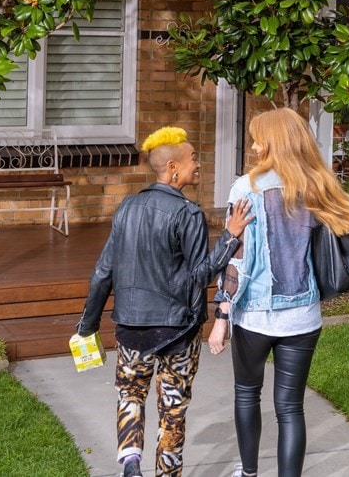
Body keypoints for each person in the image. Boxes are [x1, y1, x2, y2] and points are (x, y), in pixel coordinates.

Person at [77, 126, 253, 477]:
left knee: (130, 395)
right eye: (192, 160)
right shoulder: (188, 214)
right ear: (173, 167)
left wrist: (88, 325)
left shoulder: (127, 207)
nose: (198, 164)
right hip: (177, 333)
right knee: (172, 411)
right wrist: (230, 237)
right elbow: (201, 275)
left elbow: (102, 272)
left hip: (130, 328)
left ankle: (130, 460)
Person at [207, 108, 349, 477]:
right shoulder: (317, 185)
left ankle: (248, 474)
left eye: (257, 137)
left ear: (271, 142)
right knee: (291, 408)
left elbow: (237, 259)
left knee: (247, 394)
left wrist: (222, 315)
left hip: (255, 316)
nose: (253, 144)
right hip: (303, 316)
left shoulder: (245, 188)